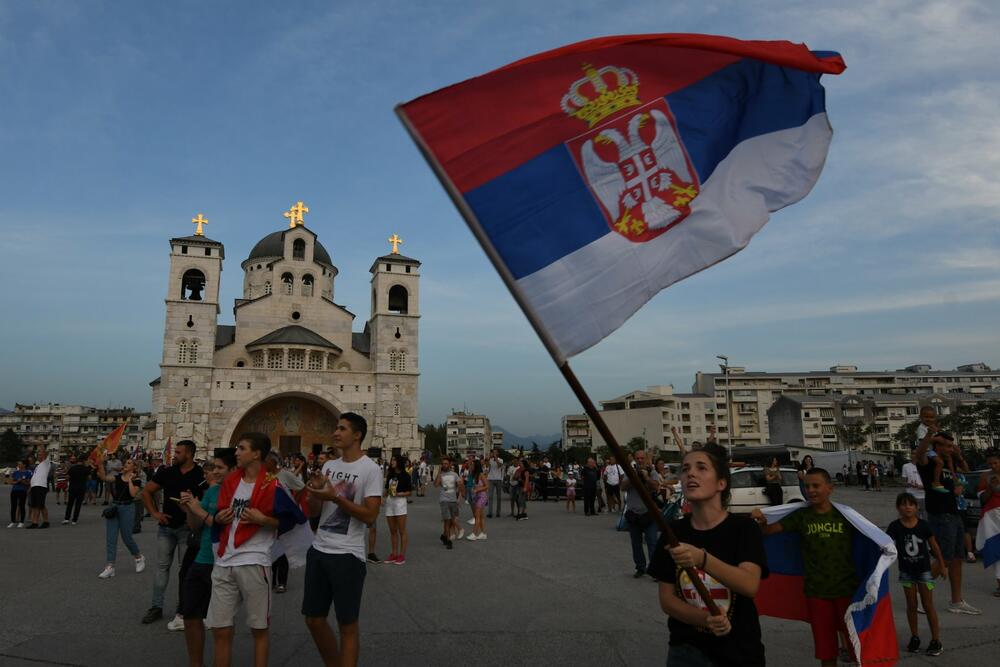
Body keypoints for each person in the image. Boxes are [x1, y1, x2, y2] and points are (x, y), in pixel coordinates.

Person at [648, 442, 767, 666]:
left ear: (721, 483)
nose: (690, 473)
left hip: (739, 650)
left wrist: (702, 559)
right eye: (685, 469)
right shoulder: (672, 532)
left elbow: (749, 585)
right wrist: (705, 619)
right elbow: (667, 599)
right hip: (686, 651)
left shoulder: (744, 529)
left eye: (701, 468)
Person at [208, 434, 303, 667]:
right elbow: (222, 512)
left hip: (254, 561)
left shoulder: (272, 485)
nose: (236, 453)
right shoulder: (231, 482)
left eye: (241, 448)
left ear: (257, 454)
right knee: (220, 629)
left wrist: (264, 519)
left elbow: (290, 520)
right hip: (224, 561)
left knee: (258, 628)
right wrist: (220, 517)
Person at [753, 469, 859, 667]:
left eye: (816, 486)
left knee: (857, 647)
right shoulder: (801, 516)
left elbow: (868, 541)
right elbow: (768, 532)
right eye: (807, 486)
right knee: (826, 650)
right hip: (816, 593)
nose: (810, 490)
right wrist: (760, 521)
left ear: (830, 488)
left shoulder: (846, 516)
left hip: (848, 591)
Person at [302, 412, 383, 667]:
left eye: (342, 429)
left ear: (357, 435)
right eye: (336, 428)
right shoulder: (329, 466)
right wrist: (315, 493)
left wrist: (335, 497)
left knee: (347, 625)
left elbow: (370, 516)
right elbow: (315, 512)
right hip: (319, 549)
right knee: (313, 619)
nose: (335, 433)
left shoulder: (370, 470)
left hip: (347, 555)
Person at [178, 448, 235, 667]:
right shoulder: (212, 492)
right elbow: (196, 526)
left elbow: (223, 525)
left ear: (232, 470)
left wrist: (198, 510)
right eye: (213, 467)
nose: (214, 471)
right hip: (201, 559)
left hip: (222, 563)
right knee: (191, 615)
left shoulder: (236, 493)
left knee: (221, 623)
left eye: (219, 468)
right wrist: (190, 508)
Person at [914, 425, 980, 615]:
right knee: (945, 558)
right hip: (940, 515)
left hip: (955, 513)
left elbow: (966, 471)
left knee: (957, 558)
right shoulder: (930, 463)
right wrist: (929, 435)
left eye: (952, 446)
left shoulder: (949, 462)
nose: (950, 449)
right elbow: (919, 454)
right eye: (946, 445)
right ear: (937, 446)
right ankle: (920, 594)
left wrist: (957, 455)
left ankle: (956, 601)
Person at [140, 439, 205, 625]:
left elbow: (207, 500)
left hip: (188, 529)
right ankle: (156, 606)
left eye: (178, 452)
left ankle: (183, 609)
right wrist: (154, 513)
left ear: (189, 454)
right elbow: (146, 491)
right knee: (162, 568)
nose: (174, 455)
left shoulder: (200, 476)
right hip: (166, 527)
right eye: (174, 452)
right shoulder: (167, 472)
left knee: (185, 571)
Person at [887, 492, 945, 656]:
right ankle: (915, 637)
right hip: (906, 573)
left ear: (917, 507)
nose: (907, 507)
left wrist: (941, 565)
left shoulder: (924, 525)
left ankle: (936, 640)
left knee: (928, 605)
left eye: (911, 504)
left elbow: (934, 546)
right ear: (898, 508)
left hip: (924, 572)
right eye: (903, 504)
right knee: (911, 605)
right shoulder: (894, 526)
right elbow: (886, 545)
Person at [94, 452, 147, 579]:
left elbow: (133, 494)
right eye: (125, 463)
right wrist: (100, 464)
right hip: (114, 507)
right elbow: (104, 477)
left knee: (127, 537)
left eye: (129, 463)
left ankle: (138, 557)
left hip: (128, 508)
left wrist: (129, 480)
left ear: (134, 467)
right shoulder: (117, 477)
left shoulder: (137, 480)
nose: (125, 464)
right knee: (111, 538)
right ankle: (110, 567)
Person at [622, 450, 660, 578]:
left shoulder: (651, 471)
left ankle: (655, 569)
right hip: (634, 513)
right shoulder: (630, 472)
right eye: (637, 458)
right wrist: (634, 477)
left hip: (649, 514)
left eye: (642, 458)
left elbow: (656, 486)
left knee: (652, 543)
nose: (639, 460)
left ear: (645, 459)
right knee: (636, 544)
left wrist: (646, 477)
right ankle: (640, 567)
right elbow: (623, 487)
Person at [384, 456, 412, 562]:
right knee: (392, 530)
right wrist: (382, 494)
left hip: (400, 502)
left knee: (402, 530)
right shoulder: (390, 474)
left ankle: (402, 555)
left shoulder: (405, 475)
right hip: (390, 502)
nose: (392, 462)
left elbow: (409, 492)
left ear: (399, 462)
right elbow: (386, 490)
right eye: (391, 460)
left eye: (394, 460)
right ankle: (394, 553)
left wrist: (401, 494)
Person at [436, 455, 463, 547]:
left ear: (449, 464)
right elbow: (436, 484)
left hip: (453, 500)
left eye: (446, 463)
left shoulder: (454, 474)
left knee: (452, 520)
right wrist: (439, 472)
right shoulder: (441, 474)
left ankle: (444, 536)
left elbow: (460, 485)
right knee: (447, 520)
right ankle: (448, 541)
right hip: (444, 500)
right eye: (443, 464)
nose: (444, 465)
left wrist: (460, 497)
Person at [26, 447, 52, 529]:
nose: (39, 456)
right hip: (35, 487)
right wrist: (30, 488)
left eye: (41, 455)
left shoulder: (46, 462)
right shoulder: (38, 465)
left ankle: (46, 522)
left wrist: (41, 446)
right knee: (34, 506)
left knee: (41, 505)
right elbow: (35, 477)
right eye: (38, 455)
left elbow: (45, 452)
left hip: (41, 486)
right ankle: (35, 523)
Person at [63, 454, 90, 525]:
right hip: (81, 488)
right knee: (78, 504)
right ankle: (74, 520)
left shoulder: (72, 468)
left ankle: (66, 519)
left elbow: (67, 477)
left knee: (70, 503)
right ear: (84, 461)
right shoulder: (86, 469)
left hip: (72, 487)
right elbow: (89, 478)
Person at [901, 450, 926, 518]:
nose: (914, 455)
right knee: (914, 517)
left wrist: (923, 486)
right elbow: (903, 482)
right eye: (913, 453)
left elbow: (931, 483)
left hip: (924, 495)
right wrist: (910, 484)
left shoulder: (925, 466)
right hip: (911, 495)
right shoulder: (906, 466)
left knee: (925, 517)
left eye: (916, 453)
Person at [8, 460, 30, 528]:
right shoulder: (15, 472)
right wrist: (17, 481)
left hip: (22, 491)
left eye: (20, 464)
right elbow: (11, 482)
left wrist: (22, 481)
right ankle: (13, 521)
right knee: (13, 506)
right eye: (18, 464)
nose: (18, 465)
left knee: (21, 506)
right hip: (14, 491)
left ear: (24, 465)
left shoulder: (27, 473)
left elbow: (28, 483)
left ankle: (21, 522)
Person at [469, 468, 488, 540]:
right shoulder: (475, 475)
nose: (471, 466)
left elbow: (487, 486)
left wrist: (477, 490)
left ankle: (474, 534)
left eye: (472, 465)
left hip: (482, 496)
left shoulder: (481, 474)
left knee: (477, 516)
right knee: (481, 516)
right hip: (477, 496)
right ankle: (483, 533)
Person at [486, 450, 504, 518]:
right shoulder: (490, 460)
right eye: (493, 452)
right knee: (490, 496)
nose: (494, 453)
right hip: (490, 479)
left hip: (498, 479)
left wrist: (495, 458)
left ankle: (498, 512)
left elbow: (499, 465)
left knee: (499, 497)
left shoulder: (501, 460)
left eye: (495, 452)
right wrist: (488, 457)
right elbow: (487, 465)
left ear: (498, 453)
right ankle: (490, 513)